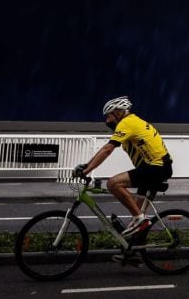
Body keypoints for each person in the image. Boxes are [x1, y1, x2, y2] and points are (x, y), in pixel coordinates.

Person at [73, 96, 173, 238]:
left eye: (109, 116)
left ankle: (140, 219)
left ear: (119, 113)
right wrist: (87, 166)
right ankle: (133, 253)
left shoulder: (127, 123)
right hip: (156, 167)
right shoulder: (132, 122)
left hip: (155, 168)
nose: (107, 121)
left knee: (113, 184)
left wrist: (86, 169)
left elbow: (107, 149)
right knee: (135, 222)